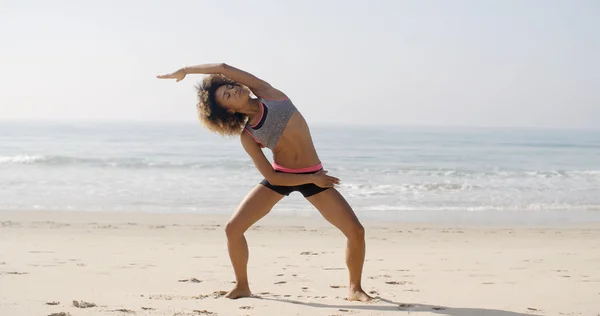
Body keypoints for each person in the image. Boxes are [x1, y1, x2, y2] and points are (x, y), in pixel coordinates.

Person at [157, 63, 372, 302]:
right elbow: (272, 177)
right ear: (228, 111)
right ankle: (242, 286)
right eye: (227, 96)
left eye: (230, 86)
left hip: (313, 174)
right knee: (233, 229)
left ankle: (355, 288)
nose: (233, 90)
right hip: (287, 177)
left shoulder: (269, 94)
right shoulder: (248, 136)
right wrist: (313, 178)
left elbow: (223, 67)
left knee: (356, 231)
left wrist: (186, 71)